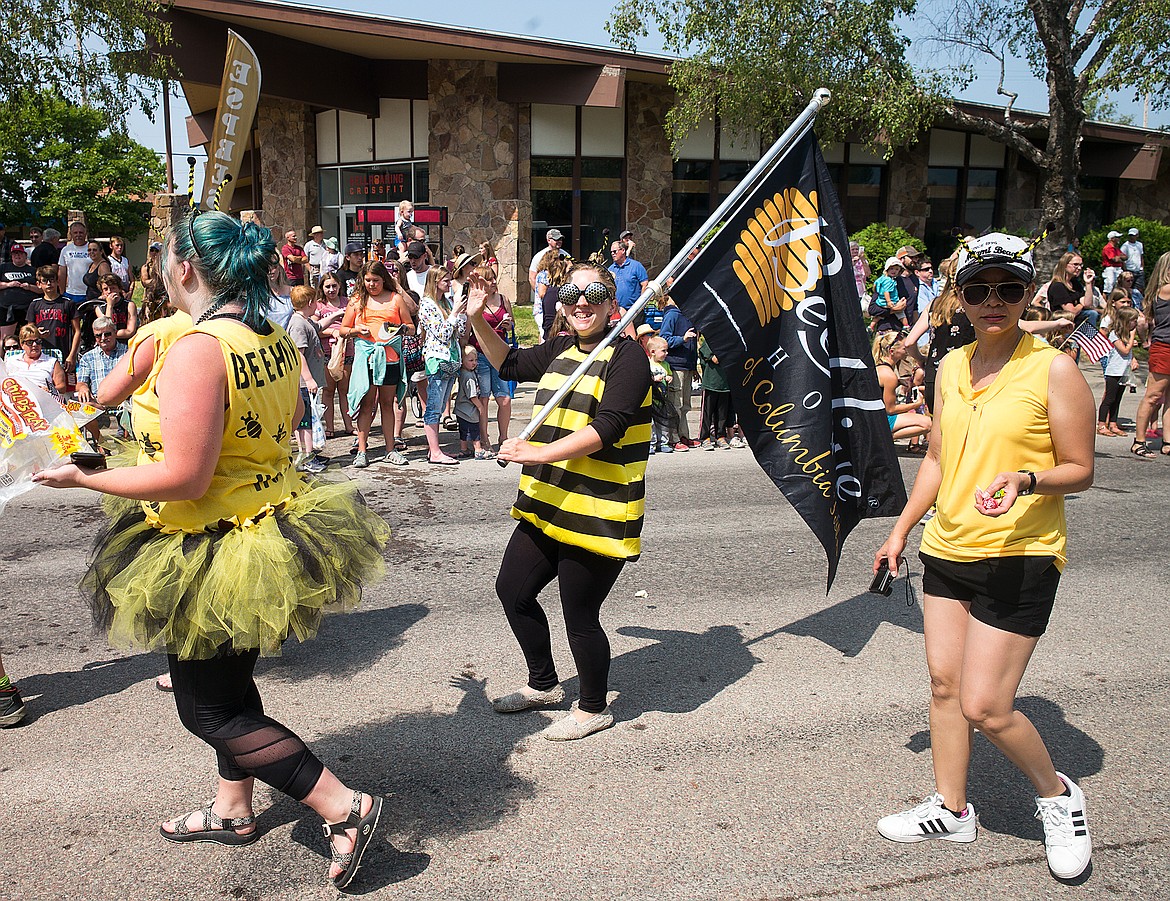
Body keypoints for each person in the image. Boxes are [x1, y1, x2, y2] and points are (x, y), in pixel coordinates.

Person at [33, 208, 390, 891]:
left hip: (209, 543)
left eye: (164, 260)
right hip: (265, 530)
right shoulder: (273, 334)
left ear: (185, 268)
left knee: (206, 709)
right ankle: (233, 807)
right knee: (230, 683)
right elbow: (270, 435)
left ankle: (343, 806)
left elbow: (186, 476)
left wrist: (85, 476)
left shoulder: (200, 346)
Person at [873, 232, 1095, 881]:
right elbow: (940, 459)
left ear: (1027, 292)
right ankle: (952, 807)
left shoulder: (1053, 367)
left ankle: (1058, 796)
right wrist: (902, 530)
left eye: (1007, 287)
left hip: (1020, 552)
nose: (992, 300)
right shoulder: (950, 366)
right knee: (944, 685)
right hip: (949, 547)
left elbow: (1079, 467)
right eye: (978, 288)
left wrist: (1028, 478)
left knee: (986, 706)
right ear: (959, 299)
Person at [466, 262, 651, 740]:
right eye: (571, 292)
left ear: (612, 302)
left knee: (579, 615)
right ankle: (544, 684)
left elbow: (608, 427)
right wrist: (474, 316)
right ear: (560, 302)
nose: (581, 302)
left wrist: (537, 452)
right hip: (548, 502)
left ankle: (593, 707)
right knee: (514, 591)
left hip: (597, 507)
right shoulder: (561, 348)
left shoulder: (627, 357)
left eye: (594, 292)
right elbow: (507, 363)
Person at [341, 260, 413, 467]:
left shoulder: (395, 299)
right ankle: (362, 451)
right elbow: (343, 330)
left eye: (376, 280)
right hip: (367, 360)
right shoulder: (357, 301)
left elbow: (411, 326)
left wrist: (400, 329)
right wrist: (356, 331)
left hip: (390, 359)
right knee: (367, 405)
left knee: (387, 404)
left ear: (384, 280)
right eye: (368, 280)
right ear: (362, 281)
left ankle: (390, 449)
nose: (372, 284)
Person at [417, 265, 466, 465]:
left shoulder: (445, 302)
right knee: (434, 407)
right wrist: (454, 313)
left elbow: (459, 332)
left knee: (441, 404)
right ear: (435, 281)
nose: (449, 283)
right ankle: (435, 452)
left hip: (451, 359)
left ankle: (434, 450)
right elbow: (442, 334)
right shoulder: (427, 304)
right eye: (445, 280)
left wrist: (460, 313)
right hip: (437, 359)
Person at [466, 263, 514, 454]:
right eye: (489, 279)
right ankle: (484, 438)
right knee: (484, 398)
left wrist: (508, 324)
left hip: (501, 355)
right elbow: (469, 331)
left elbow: (512, 326)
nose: (494, 282)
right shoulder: (476, 302)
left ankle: (503, 436)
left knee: (505, 399)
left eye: (494, 278)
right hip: (481, 356)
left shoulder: (503, 299)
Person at [1132, 252, 1170, 458]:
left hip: (1165, 345)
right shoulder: (1165, 289)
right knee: (1153, 396)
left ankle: (1168, 441)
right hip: (1164, 346)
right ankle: (1139, 440)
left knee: (1169, 398)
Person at [287, 286, 328, 473]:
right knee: (305, 421)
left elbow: (319, 327)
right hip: (303, 385)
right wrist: (309, 379)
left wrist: (337, 316)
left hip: (308, 385)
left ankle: (309, 453)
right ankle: (306, 456)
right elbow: (299, 354)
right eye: (316, 301)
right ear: (310, 303)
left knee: (309, 419)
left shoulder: (306, 321)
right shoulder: (298, 324)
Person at [75, 316, 128, 448]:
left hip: (125, 401)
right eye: (98, 336)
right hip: (100, 402)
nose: (103, 338)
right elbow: (81, 382)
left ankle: (126, 443)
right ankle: (101, 443)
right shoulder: (88, 357)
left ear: (115, 333)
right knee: (83, 409)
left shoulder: (128, 352)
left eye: (107, 334)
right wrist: (83, 388)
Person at [872, 330, 932, 445]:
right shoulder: (889, 375)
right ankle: (880, 439)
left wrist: (899, 382)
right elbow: (890, 409)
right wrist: (916, 404)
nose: (907, 352)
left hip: (873, 416)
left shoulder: (880, 368)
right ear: (892, 351)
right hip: (881, 419)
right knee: (927, 423)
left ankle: (880, 439)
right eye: (904, 349)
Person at [314, 273, 352, 438]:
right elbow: (315, 328)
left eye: (334, 286)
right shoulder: (319, 306)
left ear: (339, 286)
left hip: (347, 352)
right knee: (328, 391)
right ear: (322, 288)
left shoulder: (347, 303)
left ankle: (349, 426)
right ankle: (329, 427)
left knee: (345, 391)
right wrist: (333, 332)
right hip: (327, 353)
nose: (331, 290)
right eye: (327, 286)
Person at [658, 293, 699, 449]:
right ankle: (674, 439)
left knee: (685, 405)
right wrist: (683, 339)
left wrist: (694, 366)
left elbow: (694, 344)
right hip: (676, 366)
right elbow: (664, 339)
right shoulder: (672, 315)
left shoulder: (688, 314)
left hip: (687, 365)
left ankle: (683, 435)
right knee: (676, 404)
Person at [26, 264, 81, 370]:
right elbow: (29, 332)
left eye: (52, 280)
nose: (49, 283)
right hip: (41, 354)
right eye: (45, 281)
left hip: (64, 352)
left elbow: (77, 331)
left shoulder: (68, 303)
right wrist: (38, 333)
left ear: (57, 281)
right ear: (38, 284)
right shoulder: (34, 304)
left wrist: (72, 355)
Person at [1096, 307, 1140, 437]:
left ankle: (1113, 423)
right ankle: (1102, 424)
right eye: (1133, 320)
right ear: (1125, 321)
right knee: (1109, 398)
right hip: (1113, 372)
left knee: (1117, 399)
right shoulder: (1114, 334)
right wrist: (1132, 337)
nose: (1135, 323)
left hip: (1123, 372)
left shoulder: (1125, 336)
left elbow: (1128, 353)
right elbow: (1125, 350)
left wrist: (1133, 360)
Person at [7, 323, 66, 393]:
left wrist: (49, 390)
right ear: (22, 344)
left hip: (42, 397)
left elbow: (62, 387)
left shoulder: (51, 362)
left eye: (38, 341)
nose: (35, 345)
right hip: (16, 397)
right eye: (30, 342)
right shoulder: (11, 360)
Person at [528, 227, 566, 337]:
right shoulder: (540, 256)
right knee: (545, 332)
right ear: (548, 240)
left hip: (559, 304)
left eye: (560, 239)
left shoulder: (565, 255)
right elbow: (532, 278)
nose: (559, 241)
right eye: (556, 239)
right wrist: (543, 299)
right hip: (544, 305)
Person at [1046, 253, 1098, 330]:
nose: (1079, 268)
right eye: (1075, 264)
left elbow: (1088, 304)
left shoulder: (1075, 283)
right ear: (1065, 265)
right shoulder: (1058, 286)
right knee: (1091, 314)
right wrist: (1081, 304)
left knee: (1092, 313)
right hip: (1062, 323)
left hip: (1076, 320)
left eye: (1081, 265)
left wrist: (1088, 283)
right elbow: (1071, 312)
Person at [0, 243, 41, 341]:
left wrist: (30, 287)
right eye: (15, 254)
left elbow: (41, 289)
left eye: (20, 253)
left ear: (25, 255)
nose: (17, 256)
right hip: (7, 308)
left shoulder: (33, 270)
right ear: (11, 256)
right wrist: (8, 284)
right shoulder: (3, 268)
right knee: (5, 338)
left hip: (28, 309)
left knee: (29, 337)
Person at [453, 345, 488, 459]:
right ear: (462, 361)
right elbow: (472, 396)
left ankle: (464, 450)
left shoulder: (464, 373)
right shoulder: (468, 376)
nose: (474, 363)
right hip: (469, 410)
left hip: (460, 409)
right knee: (474, 430)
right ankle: (478, 449)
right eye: (471, 360)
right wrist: (480, 406)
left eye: (476, 360)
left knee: (464, 431)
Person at [608, 240, 649, 317]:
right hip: (617, 311)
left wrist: (641, 305)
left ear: (623, 250)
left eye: (614, 251)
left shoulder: (636, 266)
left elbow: (645, 284)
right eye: (611, 252)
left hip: (634, 311)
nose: (612, 254)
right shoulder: (611, 269)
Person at [57, 220, 91, 306]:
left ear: (85, 233)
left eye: (81, 232)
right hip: (71, 293)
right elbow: (62, 272)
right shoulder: (66, 250)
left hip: (89, 293)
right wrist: (62, 292)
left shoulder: (93, 248)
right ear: (71, 234)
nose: (78, 235)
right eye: (75, 233)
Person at [100, 274, 138, 342]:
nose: (109, 292)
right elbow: (106, 328)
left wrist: (110, 334)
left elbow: (130, 331)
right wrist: (110, 306)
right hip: (107, 343)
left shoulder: (129, 305)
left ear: (119, 289)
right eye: (105, 289)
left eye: (113, 288)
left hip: (126, 342)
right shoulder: (100, 308)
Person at [1122, 227, 1145, 292]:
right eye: (1130, 235)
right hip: (1129, 269)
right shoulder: (1125, 246)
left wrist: (1142, 267)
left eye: (1133, 235)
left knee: (1140, 288)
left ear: (1137, 235)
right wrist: (1125, 270)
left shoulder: (1139, 244)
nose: (1132, 237)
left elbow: (1141, 256)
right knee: (1128, 288)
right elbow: (1123, 259)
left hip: (1139, 270)